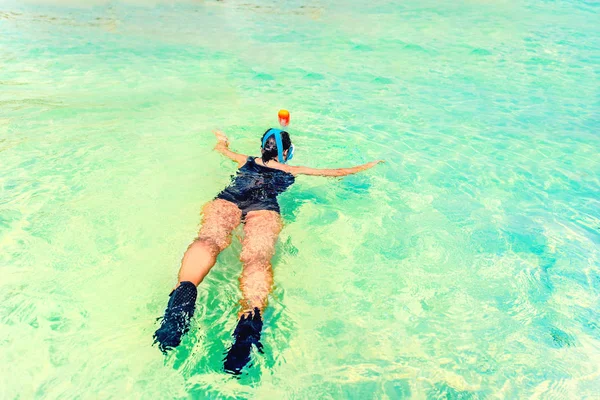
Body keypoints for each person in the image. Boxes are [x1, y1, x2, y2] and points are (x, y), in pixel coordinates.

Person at [153, 128, 383, 374]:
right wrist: (369, 165)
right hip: (263, 208)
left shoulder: (246, 160)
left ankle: (182, 297)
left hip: (230, 199)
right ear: (286, 153)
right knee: (257, 258)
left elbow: (221, 150)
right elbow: (336, 173)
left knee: (209, 239)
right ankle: (249, 321)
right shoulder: (291, 169)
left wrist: (222, 140)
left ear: (262, 147)